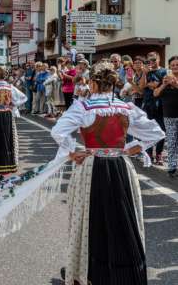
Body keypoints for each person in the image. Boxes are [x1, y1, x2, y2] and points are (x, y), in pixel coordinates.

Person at [51, 62, 165, 285]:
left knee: (89, 219)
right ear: (113, 84)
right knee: (122, 218)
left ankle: (89, 274)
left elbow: (58, 131)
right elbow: (156, 131)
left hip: (92, 166)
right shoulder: (126, 108)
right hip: (120, 165)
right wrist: (138, 147)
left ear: (92, 83)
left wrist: (73, 151)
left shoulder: (83, 107)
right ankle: (125, 275)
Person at [153, 55, 178, 176]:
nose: (175, 67)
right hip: (169, 116)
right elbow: (155, 93)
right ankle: (172, 166)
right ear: (169, 67)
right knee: (172, 142)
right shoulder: (165, 78)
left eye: (177, 65)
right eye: (173, 65)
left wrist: (175, 84)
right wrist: (164, 84)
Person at [142, 51, 167, 165]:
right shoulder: (145, 72)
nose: (151, 62)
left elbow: (156, 85)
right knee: (148, 130)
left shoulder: (164, 71)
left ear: (158, 59)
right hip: (148, 104)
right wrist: (144, 74)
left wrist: (152, 84)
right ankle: (148, 153)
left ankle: (159, 154)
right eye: (149, 60)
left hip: (160, 105)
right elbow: (142, 86)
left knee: (161, 130)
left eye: (153, 59)